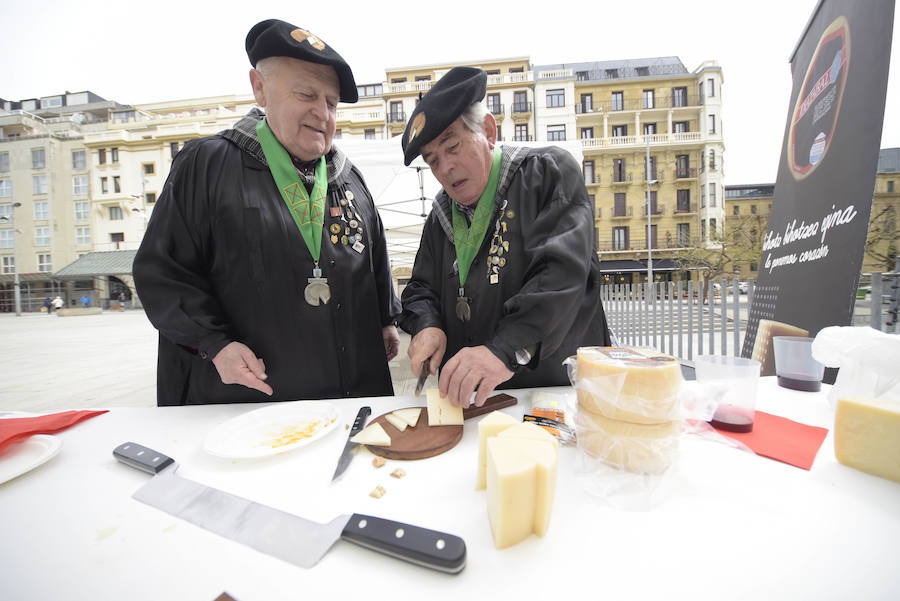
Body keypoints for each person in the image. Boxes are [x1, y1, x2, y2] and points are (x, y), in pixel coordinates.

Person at [133, 19, 400, 406]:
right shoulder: (206, 166)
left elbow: (376, 264)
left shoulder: (350, 180)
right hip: (250, 407)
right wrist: (215, 344)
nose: (322, 114)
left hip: (350, 402)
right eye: (307, 94)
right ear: (259, 88)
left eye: (331, 102)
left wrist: (386, 320)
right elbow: (163, 272)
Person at [399, 67, 611, 408]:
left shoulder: (547, 174)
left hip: (552, 393)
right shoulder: (441, 216)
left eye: (452, 147)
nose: (444, 169)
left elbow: (561, 277)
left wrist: (504, 348)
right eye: (433, 160)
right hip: (476, 401)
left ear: (488, 130)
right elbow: (421, 288)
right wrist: (428, 324)